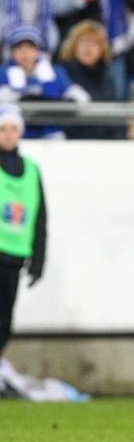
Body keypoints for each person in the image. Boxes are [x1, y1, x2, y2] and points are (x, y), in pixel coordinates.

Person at [0, 104, 46, 374]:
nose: (8, 135)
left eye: (13, 129)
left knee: (5, 320)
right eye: (3, 129)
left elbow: (40, 217)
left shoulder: (31, 170)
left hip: (15, 256)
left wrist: (37, 260)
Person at [0, 23, 90, 139]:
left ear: (38, 50)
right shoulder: (4, 73)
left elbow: (78, 97)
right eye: (19, 47)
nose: (24, 53)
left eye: (30, 47)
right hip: (16, 137)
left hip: (52, 134)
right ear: (12, 51)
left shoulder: (55, 72)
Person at [56, 18, 123, 139]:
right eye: (84, 42)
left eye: (95, 43)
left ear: (102, 49)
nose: (88, 47)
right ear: (73, 45)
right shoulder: (61, 75)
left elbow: (114, 118)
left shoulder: (107, 78)